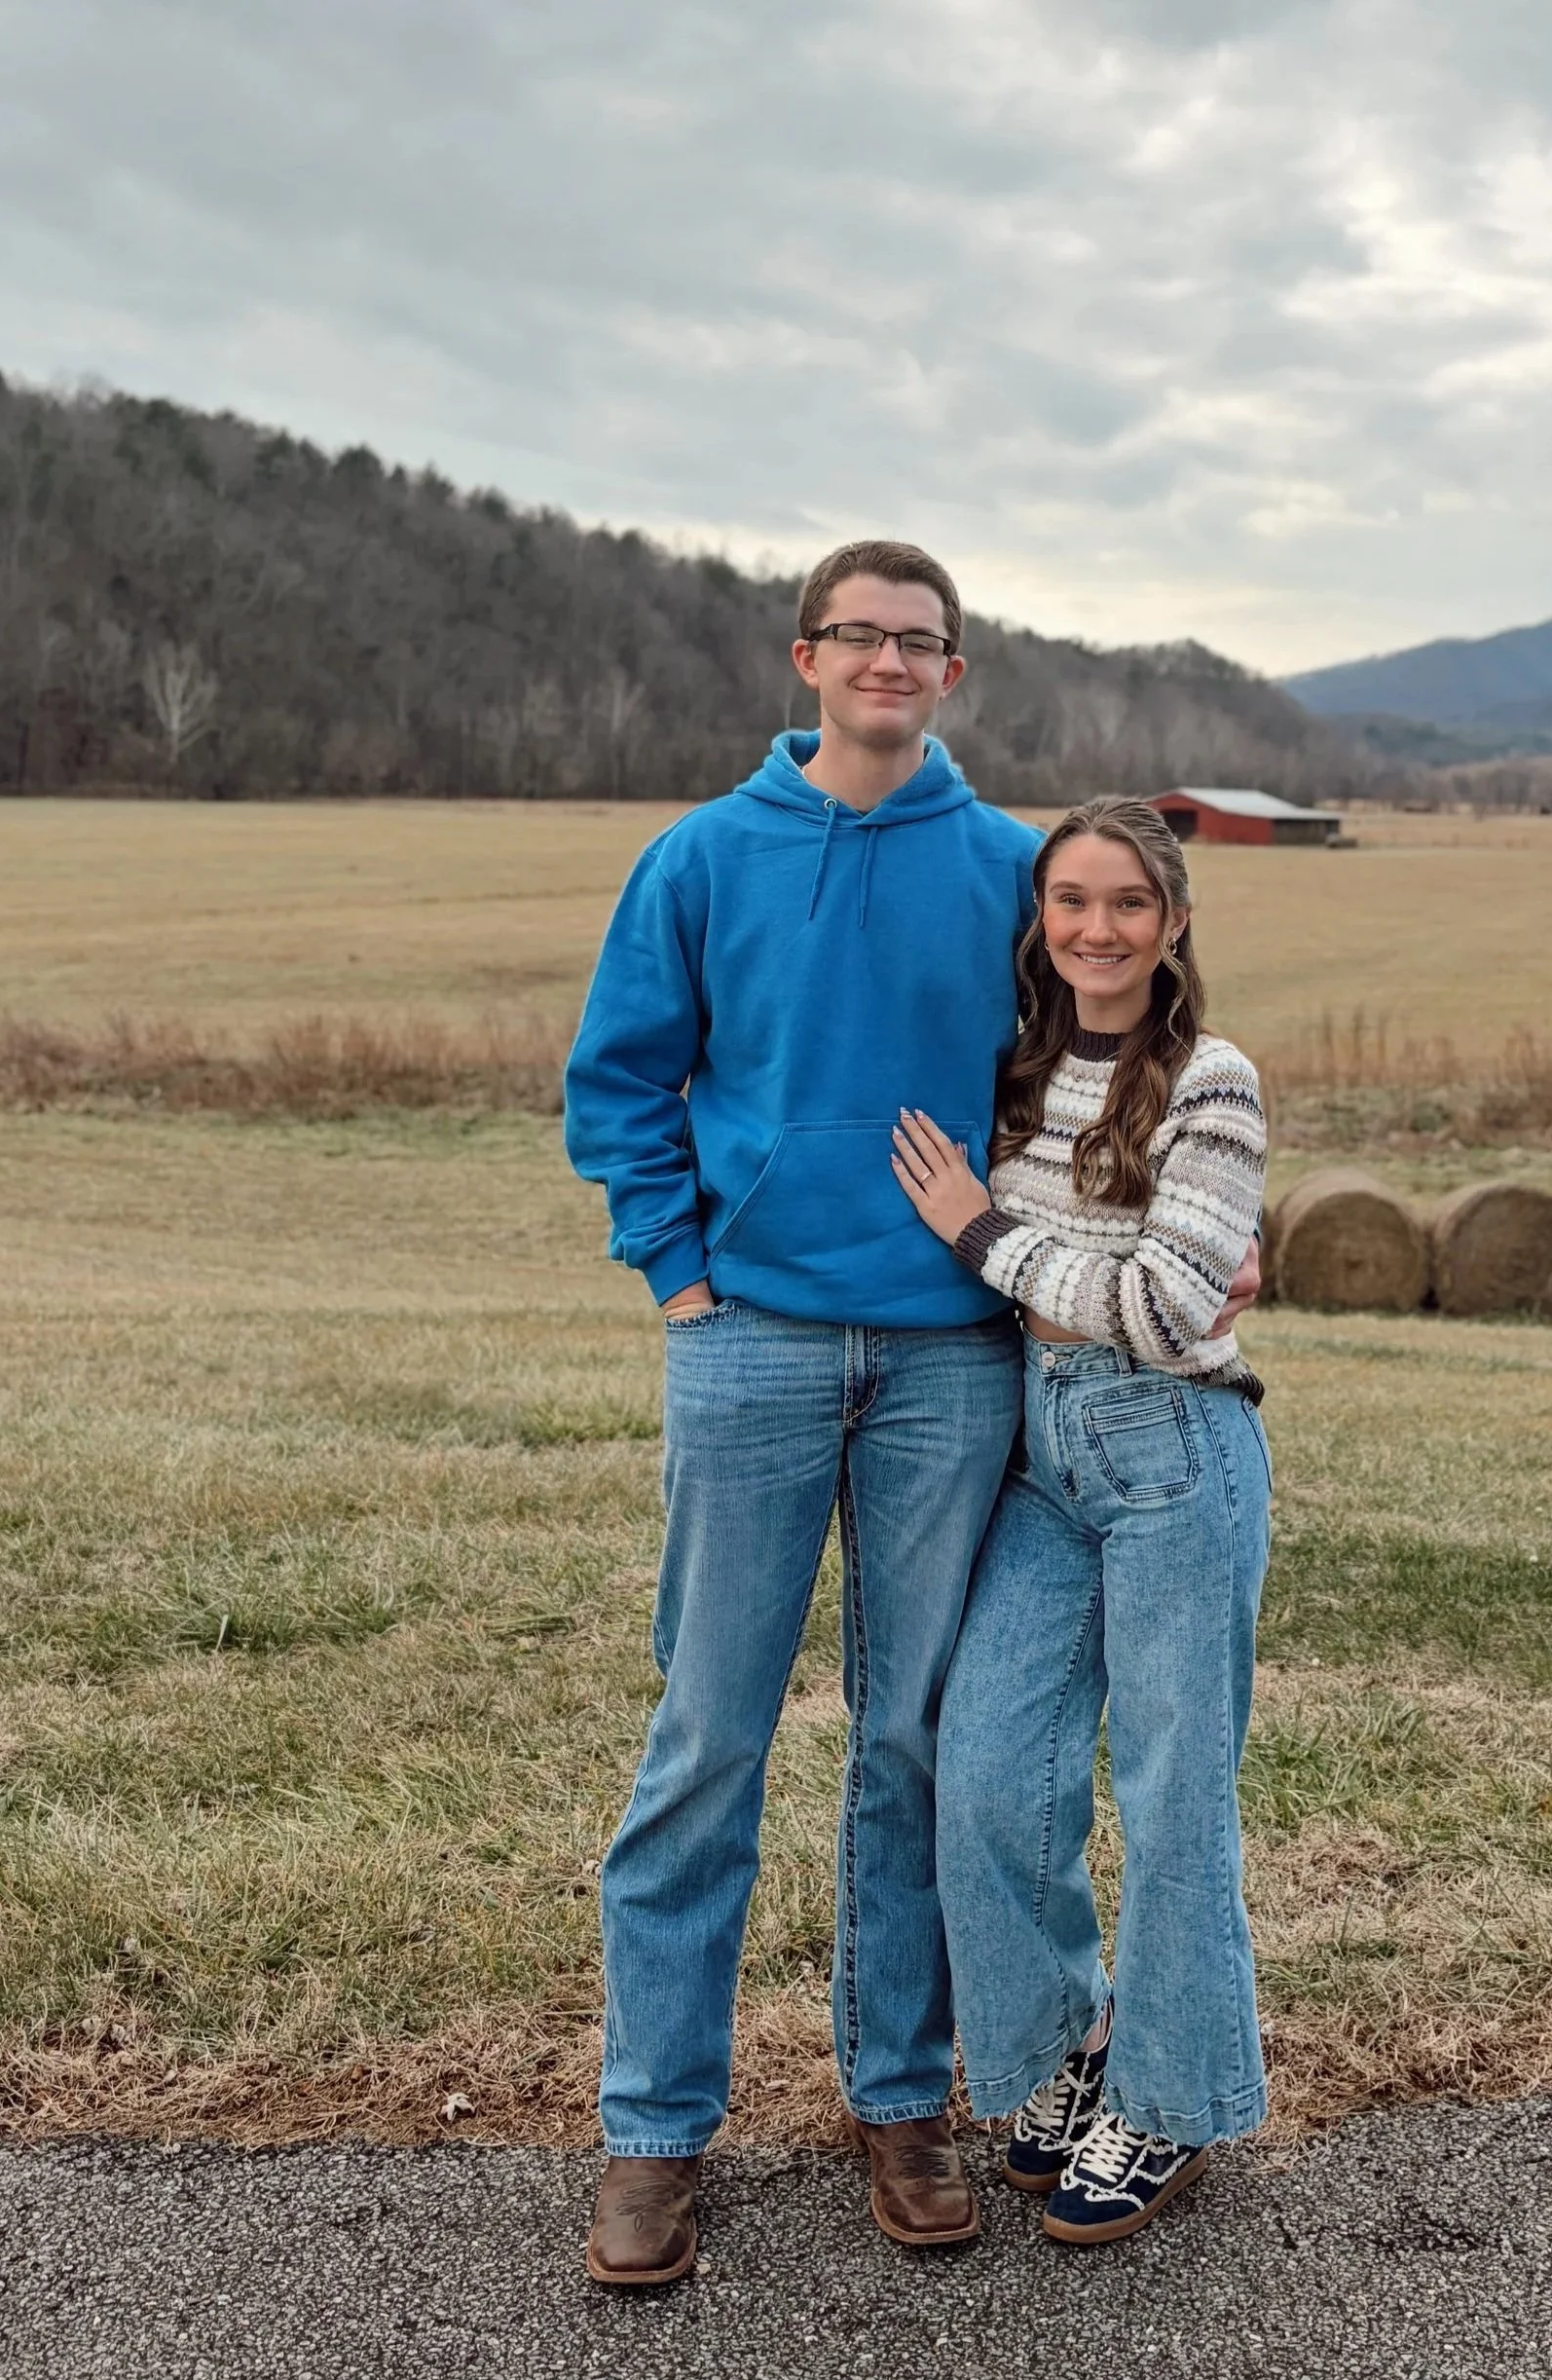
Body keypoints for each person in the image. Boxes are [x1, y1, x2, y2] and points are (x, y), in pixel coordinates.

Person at [566, 539, 1039, 2283]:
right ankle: (651, 2131)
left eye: (921, 643)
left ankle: (902, 2100)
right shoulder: (701, 856)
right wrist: (678, 1274)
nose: (889, 664)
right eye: (862, 637)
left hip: (947, 1358)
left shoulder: (1005, 868)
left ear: (952, 674)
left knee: (910, 1744)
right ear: (806, 658)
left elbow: (1086, 1080)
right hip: (751, 1338)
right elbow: (618, 1079)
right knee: (707, 1740)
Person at [890, 795, 1274, 2246]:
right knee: (987, 1770)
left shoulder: (1210, 1082)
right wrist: (1056, 1263)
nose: (1095, 929)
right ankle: (1070, 2052)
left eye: (1126, 904)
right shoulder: (1015, 1071)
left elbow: (1170, 1306)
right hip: (1039, 1459)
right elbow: (1123, 1273)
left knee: (1173, 1799)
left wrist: (981, 1237)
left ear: (1172, 924)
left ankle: (1172, 2102)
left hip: (1173, 1449)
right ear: (1038, 922)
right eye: (1069, 903)